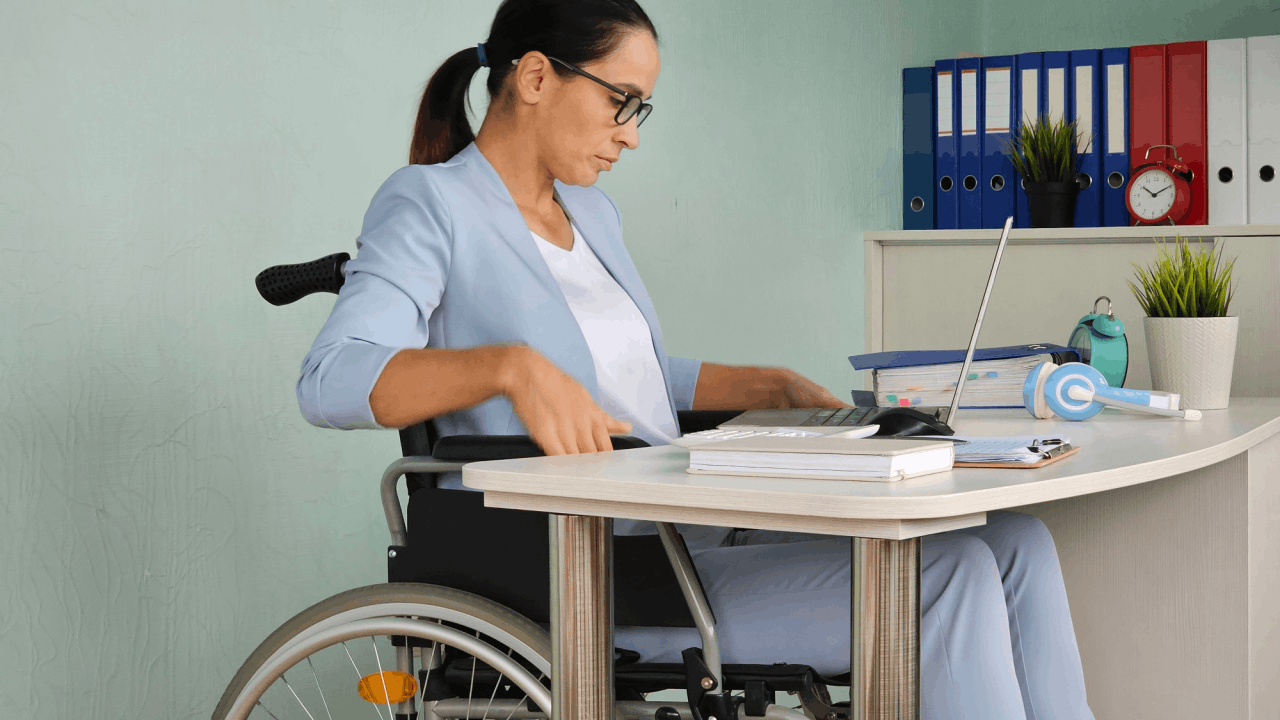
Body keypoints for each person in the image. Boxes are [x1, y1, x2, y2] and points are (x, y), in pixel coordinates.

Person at [297, 1, 1096, 718]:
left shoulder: (591, 213)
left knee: (1016, 542)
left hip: (687, 524)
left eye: (639, 108)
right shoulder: (430, 203)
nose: (631, 133)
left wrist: (770, 386)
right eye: (620, 101)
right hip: (604, 568)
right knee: (951, 574)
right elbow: (332, 378)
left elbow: (624, 378)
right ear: (536, 77)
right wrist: (510, 367)